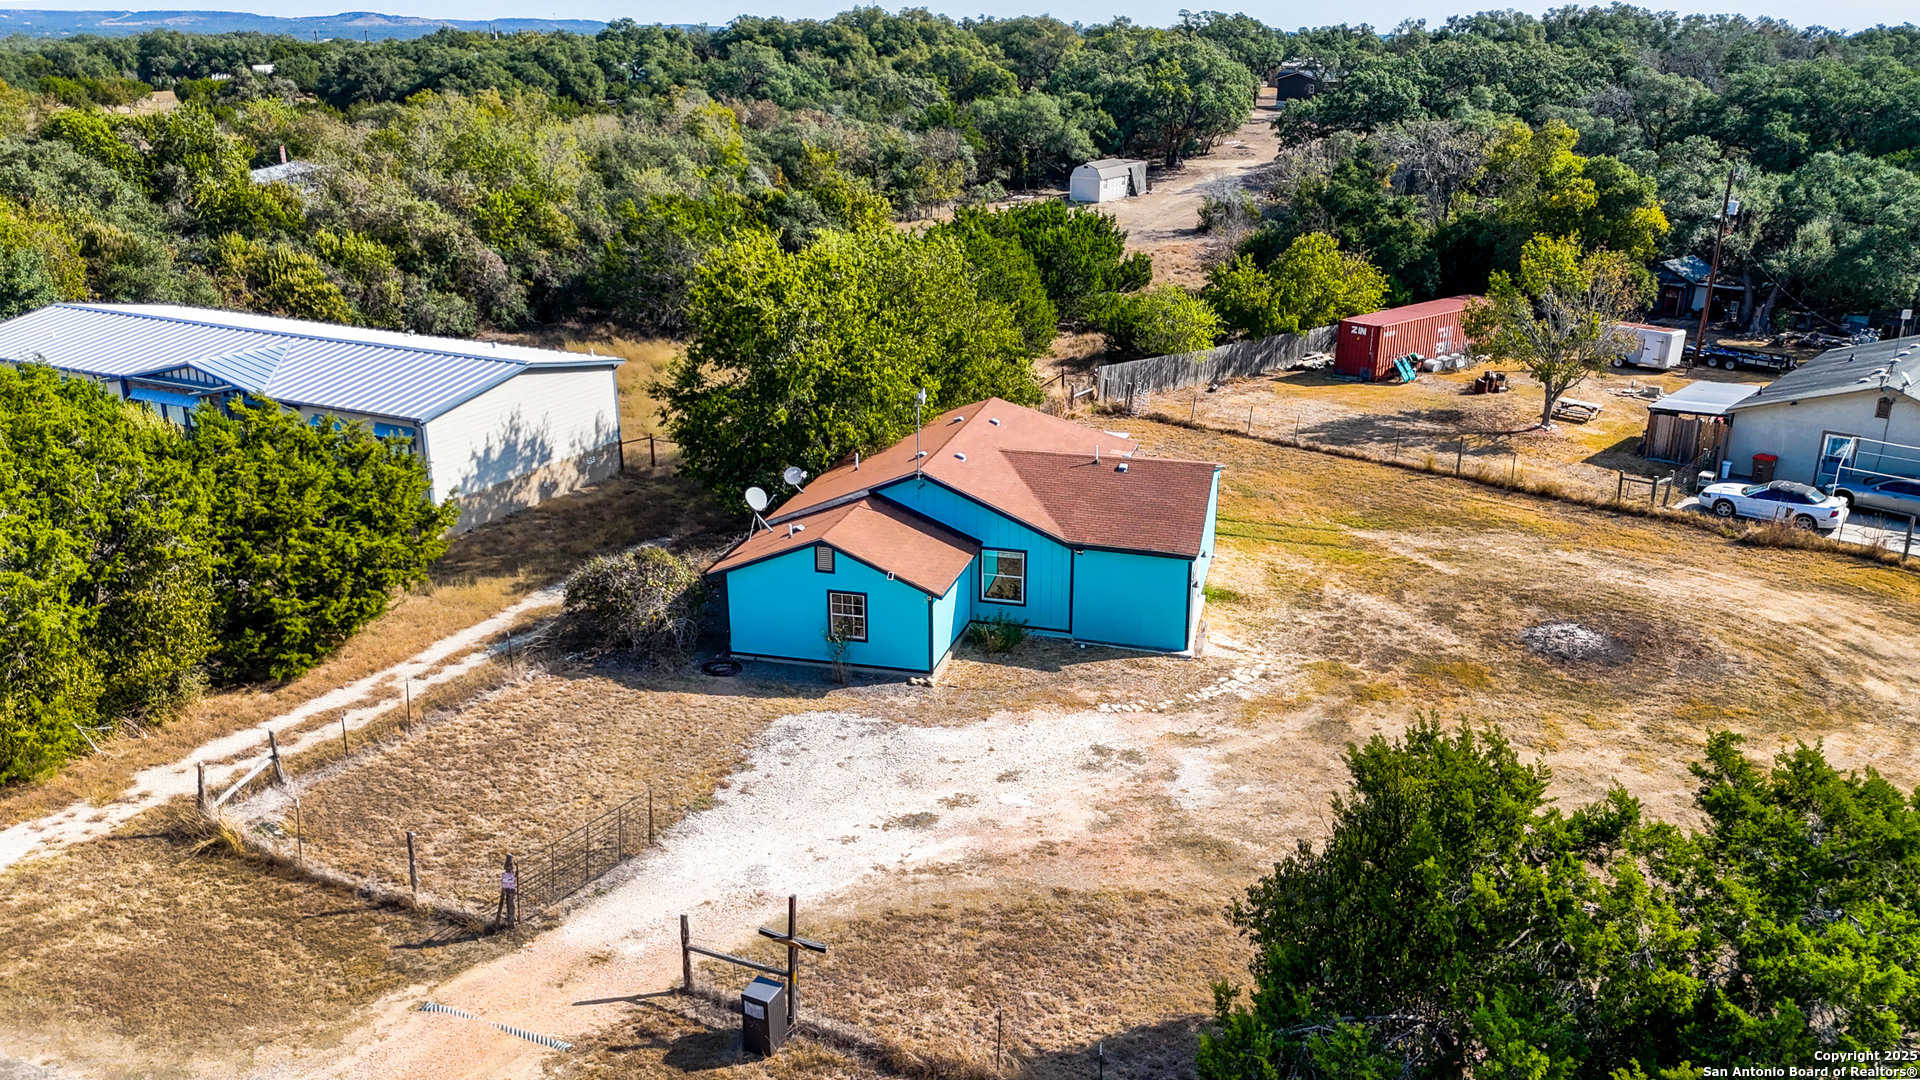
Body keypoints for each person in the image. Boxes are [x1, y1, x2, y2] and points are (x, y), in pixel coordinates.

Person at [496, 854, 518, 928]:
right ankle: (511, 922)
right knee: (511, 903)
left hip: (509, 890)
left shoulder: (508, 874)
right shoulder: (509, 873)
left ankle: (510, 921)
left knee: (510, 902)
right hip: (510, 891)